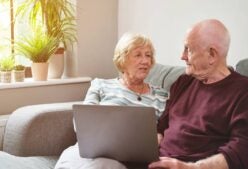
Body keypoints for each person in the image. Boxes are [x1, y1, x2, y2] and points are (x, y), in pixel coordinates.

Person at [148, 19, 248, 169]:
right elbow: (161, 127)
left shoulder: (244, 91)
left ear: (212, 55)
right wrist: (142, 151)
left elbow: (243, 148)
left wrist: (191, 167)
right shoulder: (183, 82)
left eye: (188, 49)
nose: (182, 56)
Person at [54, 33, 169, 169]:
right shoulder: (100, 85)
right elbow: (82, 122)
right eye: (138, 55)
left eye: (148, 55)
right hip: (90, 154)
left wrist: (159, 136)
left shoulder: (162, 95)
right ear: (123, 60)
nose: (145, 61)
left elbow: (170, 130)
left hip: (127, 160)